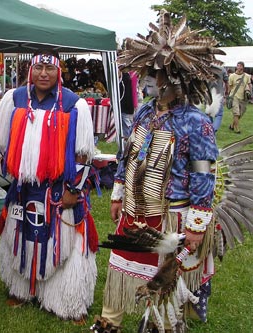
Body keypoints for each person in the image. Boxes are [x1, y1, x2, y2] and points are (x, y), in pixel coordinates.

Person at [92, 10, 221, 332]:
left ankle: (163, 325)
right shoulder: (145, 112)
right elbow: (128, 154)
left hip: (172, 215)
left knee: (166, 279)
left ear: (177, 78)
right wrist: (119, 193)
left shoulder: (196, 122)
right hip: (136, 208)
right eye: (147, 70)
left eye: (156, 72)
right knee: (119, 269)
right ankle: (109, 322)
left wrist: (196, 225)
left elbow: (204, 175)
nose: (148, 78)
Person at [0, 49, 98, 323]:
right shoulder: (14, 99)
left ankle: (65, 300)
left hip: (60, 189)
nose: (44, 74)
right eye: (39, 68)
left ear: (58, 72)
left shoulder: (74, 104)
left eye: (49, 69)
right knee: (19, 236)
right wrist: (10, 167)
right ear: (30, 70)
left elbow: (83, 153)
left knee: (65, 242)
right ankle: (22, 289)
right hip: (23, 188)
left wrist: (75, 189)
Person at [228, 61, 252, 134]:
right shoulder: (232, 76)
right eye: (238, 66)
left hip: (243, 97)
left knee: (240, 114)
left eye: (240, 66)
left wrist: (249, 92)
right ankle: (237, 129)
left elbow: (249, 84)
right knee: (236, 113)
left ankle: (232, 125)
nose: (239, 67)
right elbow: (230, 86)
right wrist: (229, 94)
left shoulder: (247, 76)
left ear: (243, 67)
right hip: (234, 96)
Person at [208, 65, 228, 132]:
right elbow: (226, 81)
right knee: (219, 114)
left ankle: (210, 129)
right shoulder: (222, 69)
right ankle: (214, 129)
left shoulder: (206, 68)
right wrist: (226, 93)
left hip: (208, 95)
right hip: (219, 94)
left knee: (209, 113)